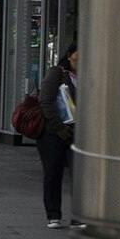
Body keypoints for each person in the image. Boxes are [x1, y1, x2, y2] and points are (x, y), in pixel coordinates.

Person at [38, 46, 79, 227]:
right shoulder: (57, 73)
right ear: (70, 56)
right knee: (53, 173)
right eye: (79, 54)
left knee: (80, 175)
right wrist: (58, 127)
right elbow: (45, 101)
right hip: (53, 133)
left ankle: (80, 216)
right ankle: (53, 214)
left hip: (78, 133)